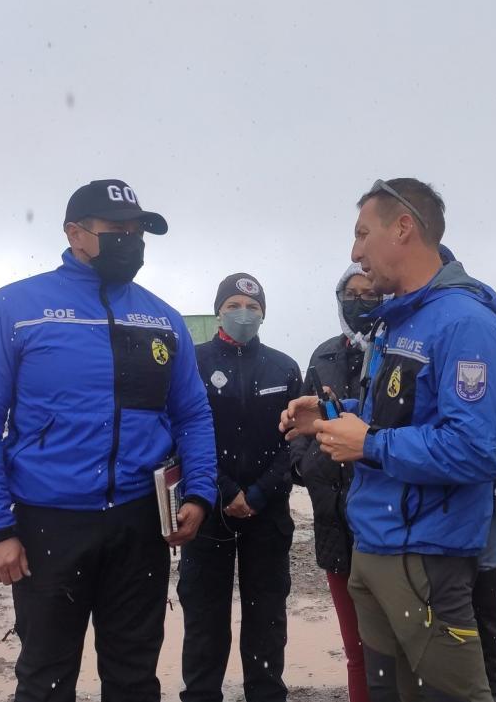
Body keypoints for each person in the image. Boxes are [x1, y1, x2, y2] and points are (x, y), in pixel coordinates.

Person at [0, 179, 217, 702]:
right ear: (75, 234)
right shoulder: (15, 308)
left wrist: (199, 494)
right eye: (116, 230)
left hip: (139, 522)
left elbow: (192, 413)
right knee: (46, 678)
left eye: (138, 231)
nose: (132, 240)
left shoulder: (162, 318)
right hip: (48, 523)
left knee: (134, 675)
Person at [281, 178, 496, 702]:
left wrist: (371, 445)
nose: (355, 252)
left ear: (403, 228)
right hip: (375, 550)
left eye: (363, 234)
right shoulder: (397, 322)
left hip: (426, 559)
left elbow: (477, 449)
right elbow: (401, 413)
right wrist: (332, 412)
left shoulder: (464, 323)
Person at [179, 273, 302, 702]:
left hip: (267, 512)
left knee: (267, 618)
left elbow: (295, 442)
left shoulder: (284, 367)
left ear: (264, 313)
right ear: (218, 310)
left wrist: (259, 493)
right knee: (205, 620)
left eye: (252, 307)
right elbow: (186, 436)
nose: (243, 314)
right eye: (234, 305)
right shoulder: (191, 362)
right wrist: (224, 489)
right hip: (206, 511)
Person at [437, 245, 496, 702]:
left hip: (490, 484)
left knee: (482, 584)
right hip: (456, 485)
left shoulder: (473, 319)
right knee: (464, 590)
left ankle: (490, 688)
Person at [289, 262, 381, 702]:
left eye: (370, 293)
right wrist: (306, 467)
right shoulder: (324, 354)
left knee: (395, 644)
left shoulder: (393, 349)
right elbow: (301, 424)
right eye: (352, 293)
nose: (360, 301)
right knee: (356, 650)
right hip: (332, 519)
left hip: (383, 520)